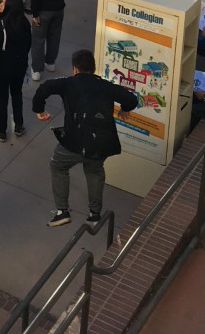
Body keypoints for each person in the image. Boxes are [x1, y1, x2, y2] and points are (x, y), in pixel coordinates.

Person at [33, 48, 138, 228]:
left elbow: (44, 88)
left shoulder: (68, 83)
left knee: (58, 166)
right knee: (94, 171)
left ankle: (62, 211)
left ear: (75, 69)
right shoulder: (106, 86)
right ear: (94, 68)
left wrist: (40, 110)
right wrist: (125, 109)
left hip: (74, 142)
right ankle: (94, 215)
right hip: (100, 144)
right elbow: (131, 99)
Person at [0, 0, 32, 141]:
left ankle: (1, 131)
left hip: (3, 67)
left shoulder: (0, 26)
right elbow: (28, 44)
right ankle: (19, 125)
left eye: (3, 2)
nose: (0, 4)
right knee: (17, 93)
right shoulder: (25, 23)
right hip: (19, 65)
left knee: (2, 98)